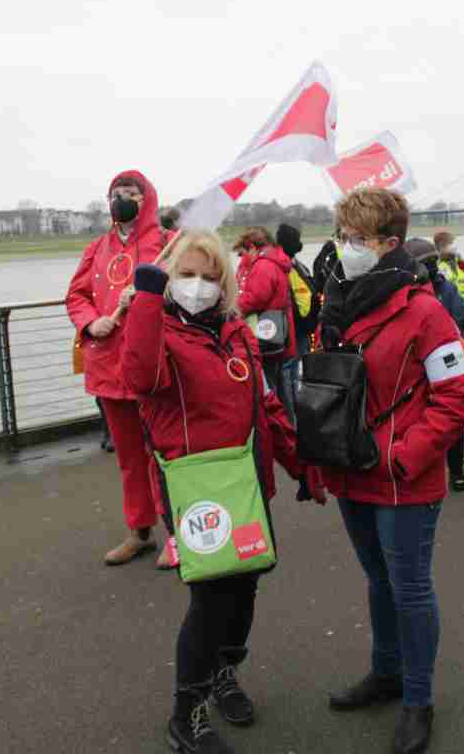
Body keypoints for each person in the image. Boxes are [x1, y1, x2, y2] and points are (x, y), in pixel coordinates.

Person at [122, 231, 312, 754]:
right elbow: (138, 376)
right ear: (169, 279)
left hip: (248, 485)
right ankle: (187, 712)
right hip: (198, 493)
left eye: (210, 277)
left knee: (246, 587)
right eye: (187, 275)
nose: (199, 287)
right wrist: (144, 296)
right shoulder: (156, 332)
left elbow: (267, 404)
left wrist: (300, 465)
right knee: (210, 600)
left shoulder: (236, 332)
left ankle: (225, 673)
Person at [318, 188, 464, 754]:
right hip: (351, 471)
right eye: (342, 236)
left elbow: (455, 396)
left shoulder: (425, 311)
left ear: (389, 244)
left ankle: (417, 698)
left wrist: (406, 455)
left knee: (409, 588)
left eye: (356, 239)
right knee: (378, 579)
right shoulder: (339, 302)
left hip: (401, 477)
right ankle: (385, 674)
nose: (346, 248)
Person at [66, 170, 172, 568]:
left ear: (148, 200)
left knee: (163, 453)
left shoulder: (167, 244)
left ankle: (177, 531)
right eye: (115, 193)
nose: (121, 199)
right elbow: (76, 295)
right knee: (129, 456)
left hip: (153, 365)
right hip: (108, 366)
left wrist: (148, 298)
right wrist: (92, 321)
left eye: (130, 193)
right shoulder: (96, 248)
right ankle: (140, 531)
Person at [406, 237, 464, 492]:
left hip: (445, 359)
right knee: (422, 420)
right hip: (416, 367)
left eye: (433, 261)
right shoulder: (404, 292)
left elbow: (461, 316)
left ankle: (456, 470)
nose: (431, 267)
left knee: (452, 417)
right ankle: (424, 468)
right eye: (425, 262)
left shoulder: (446, 288)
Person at [233, 228, 297, 401]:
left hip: (265, 334)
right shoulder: (274, 262)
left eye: (242, 253)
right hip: (277, 333)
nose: (242, 259)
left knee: (269, 387)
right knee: (281, 385)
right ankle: (290, 423)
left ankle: (279, 424)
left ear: (252, 247)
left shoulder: (263, 265)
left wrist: (230, 308)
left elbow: (254, 298)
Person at [275, 223, 318, 424]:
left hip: (301, 328)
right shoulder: (284, 267)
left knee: (296, 373)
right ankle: (292, 418)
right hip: (291, 329)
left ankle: (297, 414)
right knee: (290, 373)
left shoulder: (295, 265)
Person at [431, 231, 464, 316]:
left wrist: (463, 263)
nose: (454, 247)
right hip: (450, 307)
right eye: (451, 243)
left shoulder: (458, 262)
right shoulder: (437, 265)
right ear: (442, 247)